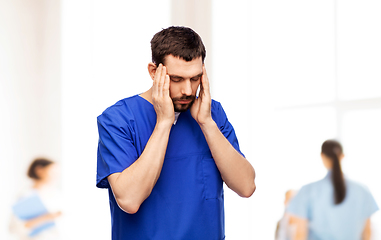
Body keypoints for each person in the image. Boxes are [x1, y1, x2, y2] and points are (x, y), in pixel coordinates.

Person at [96, 26, 256, 239]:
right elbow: (129, 200)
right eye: (177, 79)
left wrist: (207, 124)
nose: (188, 91)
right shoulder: (119, 119)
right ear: (154, 72)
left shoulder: (212, 114)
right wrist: (163, 123)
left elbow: (246, 186)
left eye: (195, 78)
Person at [287, 140, 379, 240]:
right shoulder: (362, 191)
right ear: (342, 156)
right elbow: (367, 233)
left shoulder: (307, 191)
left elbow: (300, 234)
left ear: (322, 156)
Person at [9, 158, 62, 240]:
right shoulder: (25, 196)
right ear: (39, 170)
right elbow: (14, 228)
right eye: (53, 172)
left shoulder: (56, 194)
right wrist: (45, 218)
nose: (56, 176)